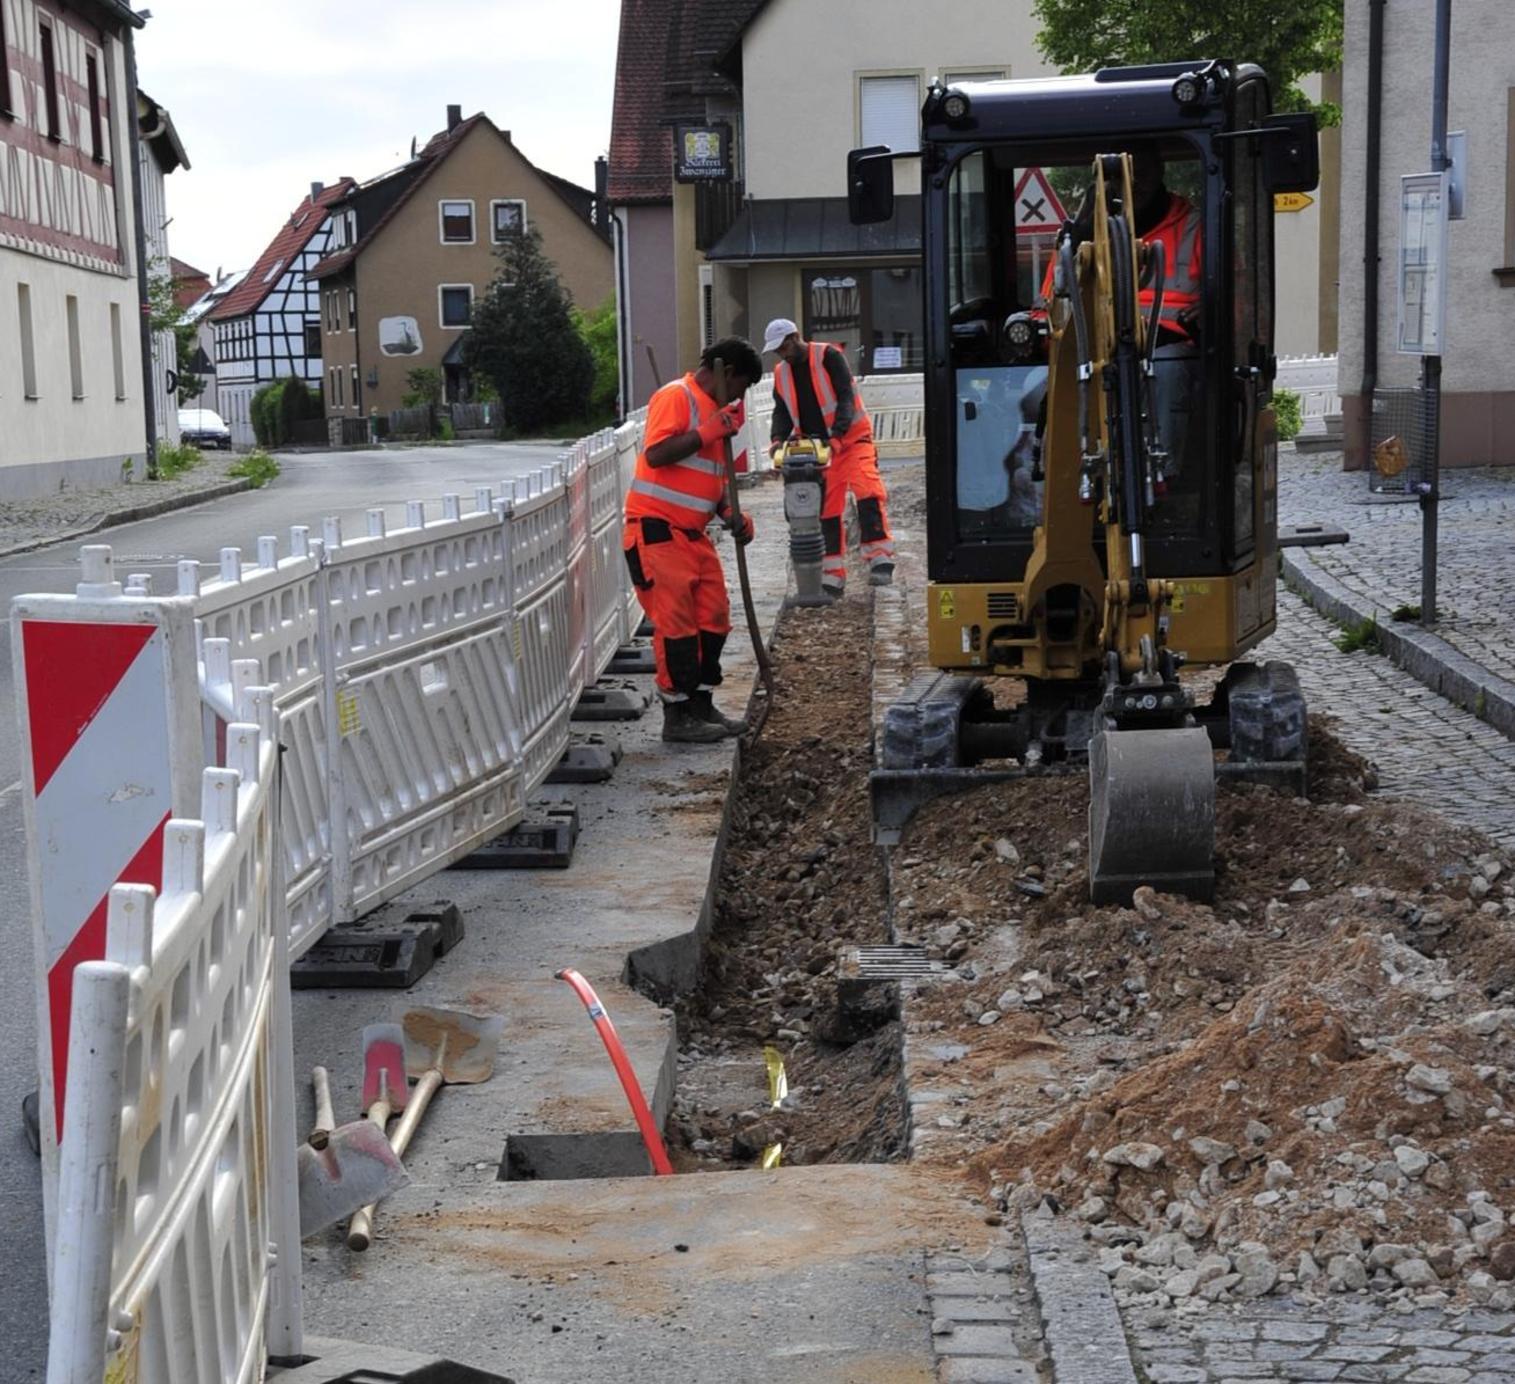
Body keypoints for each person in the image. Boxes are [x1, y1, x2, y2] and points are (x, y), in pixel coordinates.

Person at [623, 338, 764, 744]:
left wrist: (733, 515)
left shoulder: (715, 415)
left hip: (692, 536)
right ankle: (678, 715)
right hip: (656, 532)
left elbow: (711, 480)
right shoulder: (676, 396)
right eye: (741, 385)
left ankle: (701, 705)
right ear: (726, 372)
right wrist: (708, 431)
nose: (740, 396)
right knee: (678, 627)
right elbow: (657, 454)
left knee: (713, 619)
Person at [762, 319, 894, 595]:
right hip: (820, 450)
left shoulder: (828, 356)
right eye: (778, 351)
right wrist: (777, 439)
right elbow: (781, 411)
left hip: (852, 439)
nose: (782, 354)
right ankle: (832, 574)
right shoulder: (781, 373)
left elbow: (846, 396)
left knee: (867, 490)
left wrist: (837, 434)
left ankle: (880, 558)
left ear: (796, 337)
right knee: (827, 509)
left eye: (784, 347)